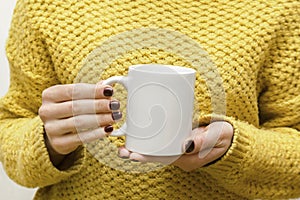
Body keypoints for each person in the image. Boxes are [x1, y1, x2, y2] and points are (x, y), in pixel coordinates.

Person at [0, 0, 299, 199]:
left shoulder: (279, 8)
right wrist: (48, 141)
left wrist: (233, 149)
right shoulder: (47, 6)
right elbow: (12, 127)